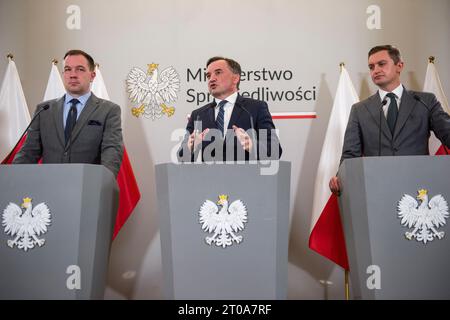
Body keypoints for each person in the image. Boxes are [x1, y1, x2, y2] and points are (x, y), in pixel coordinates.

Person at [330, 45, 450, 195]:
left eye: (381, 64)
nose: (376, 70)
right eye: (371, 67)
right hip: (377, 189)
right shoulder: (359, 110)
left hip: (419, 188)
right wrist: (340, 178)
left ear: (399, 66)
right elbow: (350, 156)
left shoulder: (425, 101)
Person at [13, 49, 123, 177]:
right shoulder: (44, 109)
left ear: (92, 75)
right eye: (68, 69)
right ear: (63, 73)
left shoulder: (109, 110)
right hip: (48, 188)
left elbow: (112, 151)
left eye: (80, 69)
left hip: (87, 188)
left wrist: (101, 183)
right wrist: (12, 179)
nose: (73, 75)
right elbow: (28, 152)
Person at [178, 56, 282, 162]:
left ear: (235, 78)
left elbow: (275, 151)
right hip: (208, 178)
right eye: (208, 76)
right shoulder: (198, 115)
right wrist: (190, 147)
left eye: (218, 73)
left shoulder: (255, 108)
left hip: (246, 177)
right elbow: (181, 157)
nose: (212, 79)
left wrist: (252, 146)